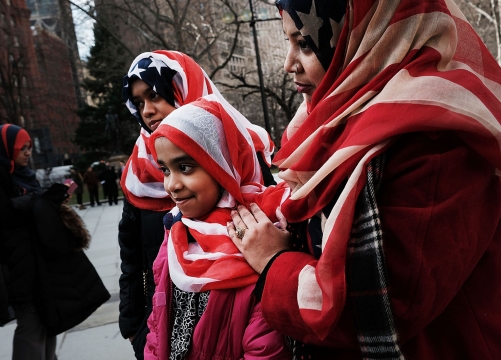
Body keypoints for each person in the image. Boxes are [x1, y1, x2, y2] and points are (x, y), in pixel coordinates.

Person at [227, 1, 501, 359]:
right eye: (288, 42)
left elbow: (386, 304)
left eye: (307, 44)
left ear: (366, 37)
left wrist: (274, 263)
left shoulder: (433, 137)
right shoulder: (334, 120)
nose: (288, 64)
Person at [118, 50, 276, 359]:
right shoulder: (138, 175)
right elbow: (133, 260)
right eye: (138, 103)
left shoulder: (240, 153)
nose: (148, 111)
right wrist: (136, 329)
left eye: (154, 95)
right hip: (162, 329)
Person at [144, 96, 291, 360]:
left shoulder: (255, 232)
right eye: (165, 170)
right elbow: (159, 322)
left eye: (185, 167)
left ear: (223, 166)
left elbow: (265, 347)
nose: (171, 185)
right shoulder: (176, 231)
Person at [0, 124, 110, 360]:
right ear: (7, 149)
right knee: (30, 327)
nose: (28, 152)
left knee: (48, 324)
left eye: (29, 147)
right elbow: (8, 214)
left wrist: (51, 199)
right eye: (22, 148)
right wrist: (38, 200)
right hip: (18, 269)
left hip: (39, 267)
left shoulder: (25, 177)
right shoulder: (4, 180)